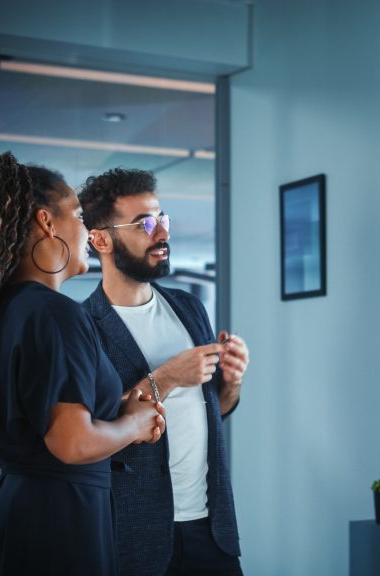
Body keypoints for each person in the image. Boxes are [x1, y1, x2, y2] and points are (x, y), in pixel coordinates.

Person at [0, 152, 166, 575]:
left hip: (12, 512)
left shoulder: (1, 312)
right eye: (78, 214)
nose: (86, 228)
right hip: (59, 524)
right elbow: (71, 443)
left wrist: (122, 409)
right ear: (47, 222)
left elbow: (42, 418)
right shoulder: (56, 313)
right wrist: (135, 426)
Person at [79, 168, 249, 576]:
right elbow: (87, 431)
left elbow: (213, 409)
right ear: (100, 239)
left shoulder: (189, 307)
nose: (162, 233)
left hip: (212, 530)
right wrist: (167, 378)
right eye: (145, 224)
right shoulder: (82, 326)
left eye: (162, 219)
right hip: (135, 539)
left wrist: (233, 381)